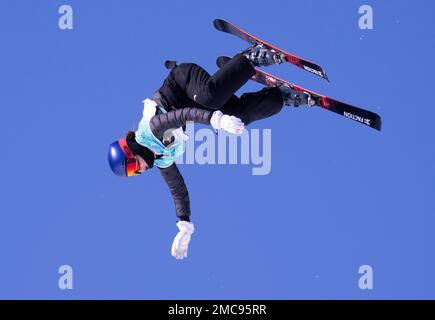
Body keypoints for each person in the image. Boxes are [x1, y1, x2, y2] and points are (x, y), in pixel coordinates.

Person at [107, 44, 312, 260]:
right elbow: (177, 188)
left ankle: (249, 58)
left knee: (210, 98)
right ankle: (278, 97)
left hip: (183, 80)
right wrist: (184, 223)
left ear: (130, 151)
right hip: (197, 102)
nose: (138, 171)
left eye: (132, 167)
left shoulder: (150, 130)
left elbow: (180, 116)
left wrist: (216, 120)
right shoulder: (161, 158)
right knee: (238, 117)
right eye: (133, 174)